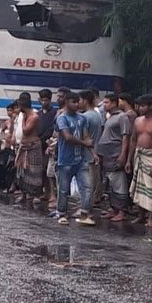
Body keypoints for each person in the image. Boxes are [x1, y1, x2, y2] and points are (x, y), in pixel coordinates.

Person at [53, 93, 95, 225]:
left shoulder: (82, 118)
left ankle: (84, 214)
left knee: (87, 187)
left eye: (78, 102)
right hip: (65, 159)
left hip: (80, 159)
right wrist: (85, 143)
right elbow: (67, 137)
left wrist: (93, 153)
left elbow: (86, 136)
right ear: (66, 103)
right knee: (63, 189)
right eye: (73, 102)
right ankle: (62, 213)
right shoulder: (62, 118)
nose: (76, 104)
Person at [130, 94, 152, 227]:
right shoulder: (137, 121)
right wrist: (129, 159)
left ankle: (151, 217)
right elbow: (133, 140)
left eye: (143, 105)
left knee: (151, 187)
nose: (140, 108)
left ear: (151, 106)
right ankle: (141, 215)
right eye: (139, 106)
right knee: (139, 187)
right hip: (139, 155)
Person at [98, 93, 133, 222]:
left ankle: (122, 211)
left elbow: (125, 137)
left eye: (106, 102)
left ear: (113, 103)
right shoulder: (110, 117)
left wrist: (123, 155)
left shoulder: (122, 117)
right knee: (110, 183)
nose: (104, 105)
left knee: (119, 183)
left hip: (115, 154)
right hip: (106, 155)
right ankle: (113, 208)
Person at [14, 93, 43, 205]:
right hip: (24, 146)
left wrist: (23, 119)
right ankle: (24, 193)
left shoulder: (34, 116)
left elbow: (26, 130)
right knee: (22, 171)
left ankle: (35, 194)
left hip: (33, 146)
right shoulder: (25, 115)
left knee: (34, 171)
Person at [79, 89, 105, 212]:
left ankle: (85, 208)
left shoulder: (85, 117)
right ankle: (91, 203)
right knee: (94, 182)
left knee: (87, 184)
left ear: (85, 101)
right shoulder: (96, 114)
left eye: (79, 100)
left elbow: (84, 137)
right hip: (95, 151)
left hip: (87, 154)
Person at [36, 89, 58, 207]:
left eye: (46, 100)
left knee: (49, 170)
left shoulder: (54, 113)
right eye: (42, 100)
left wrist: (45, 139)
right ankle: (45, 191)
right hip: (39, 144)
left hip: (49, 144)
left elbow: (51, 128)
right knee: (42, 170)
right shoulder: (38, 114)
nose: (44, 102)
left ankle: (51, 193)